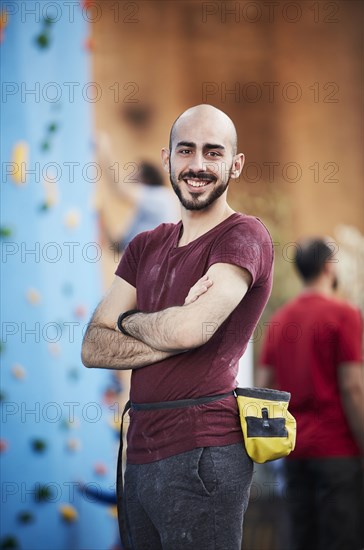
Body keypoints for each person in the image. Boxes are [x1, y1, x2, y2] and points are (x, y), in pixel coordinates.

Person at [82, 104, 274, 550]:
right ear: (167, 158)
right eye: (186, 150)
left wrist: (127, 323)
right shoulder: (145, 245)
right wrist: (172, 331)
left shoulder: (242, 236)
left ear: (235, 164)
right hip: (140, 455)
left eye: (213, 152)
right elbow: (93, 346)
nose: (199, 165)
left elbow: (193, 329)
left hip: (203, 455)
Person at [256, 237, 364, 550]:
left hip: (294, 453)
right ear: (329, 267)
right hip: (337, 451)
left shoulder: (280, 320)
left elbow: (264, 386)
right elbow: (353, 387)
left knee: (301, 539)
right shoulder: (345, 314)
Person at [97, 132, 179, 254]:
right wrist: (100, 214)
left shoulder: (161, 198)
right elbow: (117, 248)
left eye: (135, 173)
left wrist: (104, 149)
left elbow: (120, 190)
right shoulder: (141, 216)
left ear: (146, 179)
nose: (130, 177)